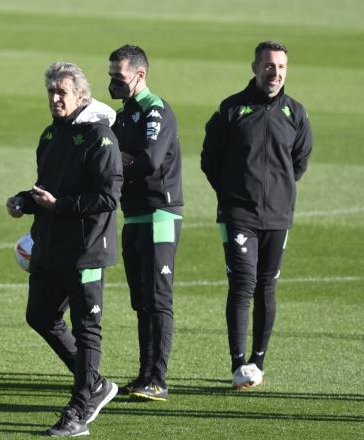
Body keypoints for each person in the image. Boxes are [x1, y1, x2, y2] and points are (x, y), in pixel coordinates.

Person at [6, 62, 122, 436]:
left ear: (81, 96)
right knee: (40, 315)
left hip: (87, 248)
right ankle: (95, 384)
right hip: (50, 246)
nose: (55, 98)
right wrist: (25, 200)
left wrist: (60, 206)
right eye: (51, 92)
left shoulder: (100, 137)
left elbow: (107, 197)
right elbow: (48, 188)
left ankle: (79, 408)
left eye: (63, 92)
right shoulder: (49, 135)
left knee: (87, 327)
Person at [201, 41, 313, 389]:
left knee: (267, 287)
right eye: (268, 66)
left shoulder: (295, 113)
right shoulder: (232, 109)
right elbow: (210, 160)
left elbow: (299, 162)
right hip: (238, 215)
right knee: (242, 284)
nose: (274, 73)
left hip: (278, 216)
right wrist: (235, 194)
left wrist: (276, 193)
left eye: (280, 67)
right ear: (254, 67)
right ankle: (238, 364)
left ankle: (257, 361)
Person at [108, 44, 183, 401]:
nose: (113, 84)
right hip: (134, 214)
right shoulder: (123, 116)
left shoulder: (156, 110)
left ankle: (159, 379)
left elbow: (151, 161)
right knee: (141, 300)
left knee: (158, 298)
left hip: (160, 214)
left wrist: (109, 162)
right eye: (110, 77)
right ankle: (144, 375)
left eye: (119, 78)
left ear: (140, 75)